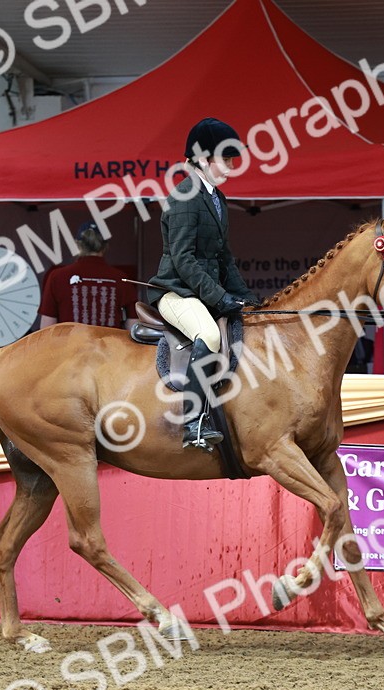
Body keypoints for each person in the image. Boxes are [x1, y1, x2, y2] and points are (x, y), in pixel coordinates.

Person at [146, 118, 260, 451]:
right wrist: (219, 296)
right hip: (175, 290)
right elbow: (184, 260)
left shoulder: (216, 198)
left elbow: (225, 258)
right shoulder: (185, 196)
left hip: (202, 291)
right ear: (204, 159)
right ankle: (194, 422)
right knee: (209, 334)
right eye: (227, 159)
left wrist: (247, 299)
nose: (232, 166)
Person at [38, 222, 135, 330]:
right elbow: (133, 326)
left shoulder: (57, 277)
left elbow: (46, 328)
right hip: (109, 346)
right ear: (105, 246)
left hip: (69, 346)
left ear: (77, 244)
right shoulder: (121, 279)